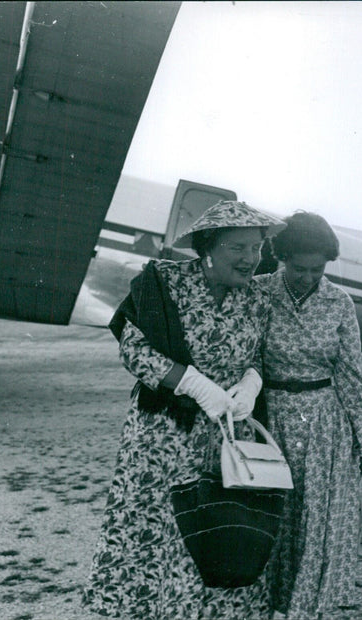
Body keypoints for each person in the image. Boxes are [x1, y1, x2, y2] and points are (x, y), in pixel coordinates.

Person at [83, 200, 284, 619]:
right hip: (163, 437)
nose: (251, 259)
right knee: (162, 532)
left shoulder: (258, 298)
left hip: (226, 436)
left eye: (258, 247)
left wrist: (251, 384)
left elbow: (260, 357)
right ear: (208, 247)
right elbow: (134, 349)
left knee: (219, 530)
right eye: (239, 248)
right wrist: (192, 383)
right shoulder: (164, 282)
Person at [254, 211, 362, 620]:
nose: (308, 277)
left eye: (318, 269)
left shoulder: (339, 303)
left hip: (324, 427)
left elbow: (349, 375)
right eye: (299, 268)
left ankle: (305, 611)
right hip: (268, 422)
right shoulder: (256, 295)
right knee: (270, 521)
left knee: (314, 525)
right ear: (281, 258)